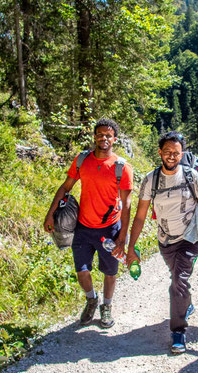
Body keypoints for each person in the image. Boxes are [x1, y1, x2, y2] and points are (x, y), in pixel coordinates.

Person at [126, 131, 198, 354]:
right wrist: (131, 247)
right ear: (160, 152)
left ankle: (178, 331)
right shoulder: (151, 180)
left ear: (182, 154)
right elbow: (140, 215)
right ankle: (185, 305)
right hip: (165, 240)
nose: (172, 156)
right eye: (168, 152)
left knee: (178, 280)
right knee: (177, 279)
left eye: (176, 153)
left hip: (189, 237)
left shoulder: (191, 176)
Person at [44, 118, 133, 329]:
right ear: (94, 136)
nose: (104, 138)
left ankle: (107, 307)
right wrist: (50, 214)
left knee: (110, 272)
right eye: (100, 134)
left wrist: (123, 237)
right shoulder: (82, 160)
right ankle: (91, 300)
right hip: (83, 227)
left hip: (110, 228)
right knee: (82, 270)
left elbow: (127, 204)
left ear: (115, 139)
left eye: (108, 135)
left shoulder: (122, 167)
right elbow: (65, 187)